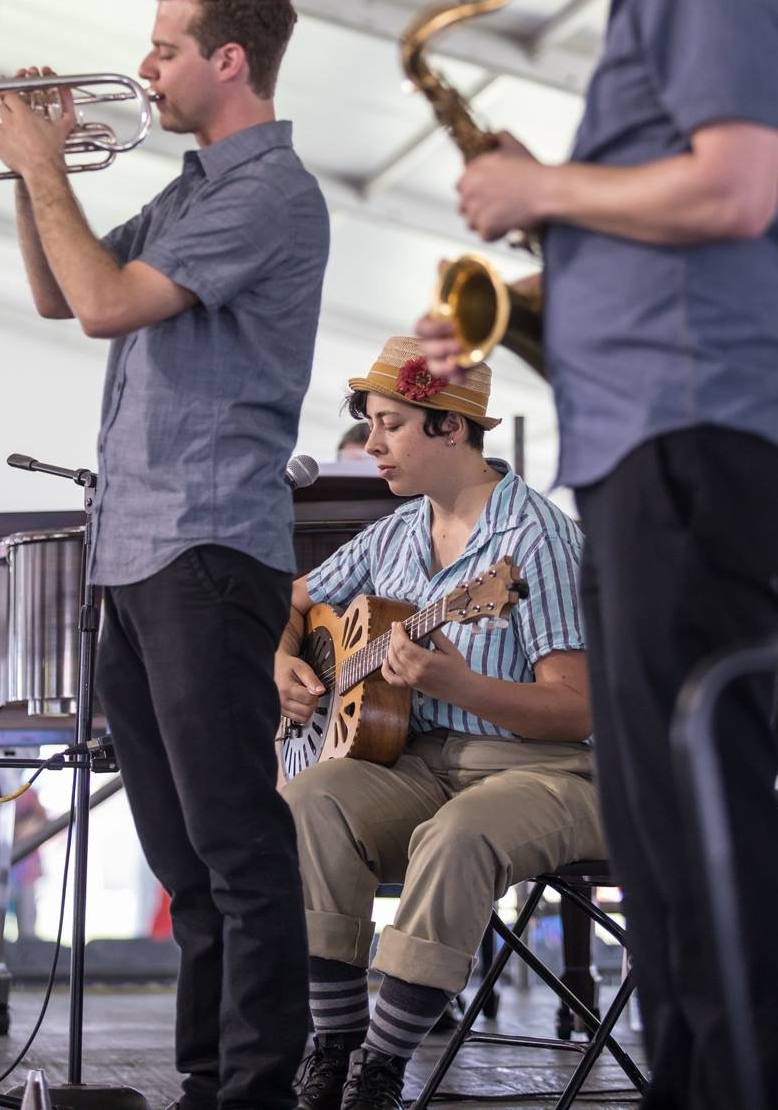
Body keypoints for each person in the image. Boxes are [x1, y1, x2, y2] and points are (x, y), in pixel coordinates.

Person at [417, 0, 778, 1108]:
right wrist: (517, 303)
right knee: (657, 819)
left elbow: (729, 191)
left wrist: (544, 186)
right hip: (651, 424)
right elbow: (675, 220)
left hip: (701, 423)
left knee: (694, 803)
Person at [0, 0, 330, 1110]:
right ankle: (204, 1079)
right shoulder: (187, 191)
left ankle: (255, 1091)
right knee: (183, 859)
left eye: (166, 47)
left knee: (236, 845)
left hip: (208, 548)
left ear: (230, 61)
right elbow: (57, 291)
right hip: (140, 552)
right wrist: (39, 180)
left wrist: (41, 161)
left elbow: (104, 303)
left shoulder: (268, 193)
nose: (145, 68)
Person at [275, 336, 603, 1110]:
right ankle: (334, 1046)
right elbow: (288, 599)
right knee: (308, 801)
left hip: (545, 769)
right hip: (417, 762)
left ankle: (379, 1071)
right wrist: (282, 664)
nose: (373, 444)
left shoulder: (536, 541)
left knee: (457, 834)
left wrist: (465, 683)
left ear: (450, 427)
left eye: (391, 424)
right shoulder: (395, 533)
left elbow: (578, 708)